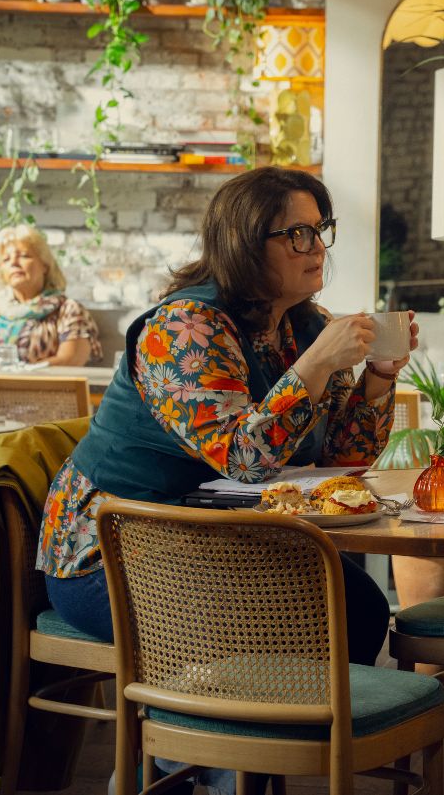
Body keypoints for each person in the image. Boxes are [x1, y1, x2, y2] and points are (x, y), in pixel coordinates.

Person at [38, 167, 410, 664]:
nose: (319, 248)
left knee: (359, 607)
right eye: (298, 234)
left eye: (320, 230)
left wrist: (379, 374)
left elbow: (343, 458)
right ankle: (198, 718)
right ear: (245, 244)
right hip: (117, 550)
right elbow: (244, 460)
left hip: (219, 539)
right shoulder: (183, 328)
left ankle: (315, 719)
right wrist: (317, 364)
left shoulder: (306, 326)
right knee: (274, 622)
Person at [0, 224, 102, 367]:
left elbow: (70, 361)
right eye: (6, 259)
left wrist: (18, 375)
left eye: (24, 256)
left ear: (45, 265)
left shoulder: (67, 310)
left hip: (44, 383)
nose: (14, 263)